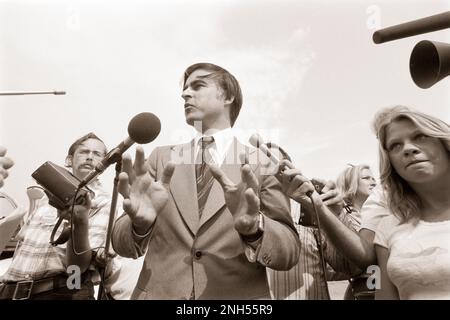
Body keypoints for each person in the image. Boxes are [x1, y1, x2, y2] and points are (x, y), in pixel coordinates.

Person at [112, 62, 300, 299]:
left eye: (198, 86)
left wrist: (255, 229)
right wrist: (138, 225)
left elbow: (289, 253)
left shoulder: (263, 163)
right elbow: (121, 244)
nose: (185, 93)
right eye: (185, 89)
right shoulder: (160, 158)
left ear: (228, 96)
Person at [0, 133, 111, 300]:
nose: (89, 157)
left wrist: (79, 223)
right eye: (84, 152)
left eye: (97, 154)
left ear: (104, 163)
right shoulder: (45, 198)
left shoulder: (104, 202)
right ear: (69, 160)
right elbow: (19, 250)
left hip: (62, 292)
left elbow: (76, 269)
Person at [372, 106, 450, 299]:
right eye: (395, 145)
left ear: (445, 143)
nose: (408, 148)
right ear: (390, 162)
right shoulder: (387, 226)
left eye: (421, 137)